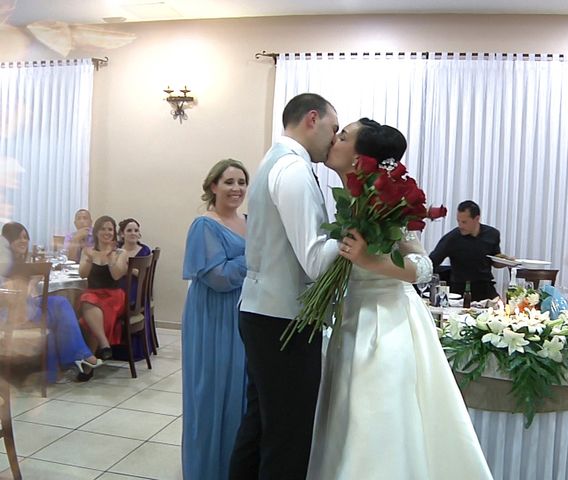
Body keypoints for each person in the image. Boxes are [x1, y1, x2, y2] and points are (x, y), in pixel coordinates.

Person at [306, 118, 492, 479]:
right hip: (349, 318)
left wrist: (369, 260)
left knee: (373, 423)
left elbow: (423, 266)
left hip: (385, 324)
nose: (334, 139)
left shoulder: (383, 198)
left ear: (362, 157)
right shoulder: (348, 196)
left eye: (343, 136)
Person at [229, 93, 340, 479]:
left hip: (262, 312)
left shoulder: (272, 160)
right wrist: (352, 233)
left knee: (261, 423)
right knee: (288, 435)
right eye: (333, 128)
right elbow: (314, 259)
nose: (334, 138)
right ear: (313, 119)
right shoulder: (293, 169)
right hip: (284, 320)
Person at [181, 159, 249, 480]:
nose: (236, 189)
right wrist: (253, 258)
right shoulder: (204, 225)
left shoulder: (249, 221)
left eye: (241, 182)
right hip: (212, 316)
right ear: (213, 186)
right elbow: (218, 277)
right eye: (229, 182)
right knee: (212, 391)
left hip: (243, 312)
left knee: (239, 390)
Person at [1, 222, 102, 383]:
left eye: (26, 237)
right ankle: (81, 356)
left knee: (60, 304)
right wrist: (33, 281)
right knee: (59, 311)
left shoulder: (23, 263)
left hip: (27, 307)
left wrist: (34, 278)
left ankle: (55, 371)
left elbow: (30, 298)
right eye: (18, 238)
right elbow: (15, 297)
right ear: (8, 240)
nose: (23, 241)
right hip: (10, 315)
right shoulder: (4, 265)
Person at [78, 215, 128, 373]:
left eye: (110, 229)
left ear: (114, 232)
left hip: (114, 295)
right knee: (88, 301)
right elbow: (82, 274)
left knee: (91, 314)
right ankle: (104, 345)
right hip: (93, 295)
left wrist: (110, 258)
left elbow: (116, 275)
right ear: (96, 232)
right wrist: (88, 259)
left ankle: (88, 365)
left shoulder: (121, 252)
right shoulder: (89, 251)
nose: (107, 232)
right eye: (103, 229)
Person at [429, 200, 507, 301]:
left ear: (477, 219)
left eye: (464, 222)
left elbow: (494, 261)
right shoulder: (451, 239)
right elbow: (432, 262)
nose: (460, 226)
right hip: (459, 290)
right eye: (458, 221)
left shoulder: (492, 234)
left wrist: (506, 261)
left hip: (485, 287)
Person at [114, 217, 152, 361]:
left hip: (135, 292)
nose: (133, 233)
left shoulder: (144, 250)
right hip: (117, 286)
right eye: (129, 230)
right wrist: (129, 269)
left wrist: (126, 269)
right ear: (122, 234)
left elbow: (141, 274)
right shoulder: (116, 249)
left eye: (136, 230)